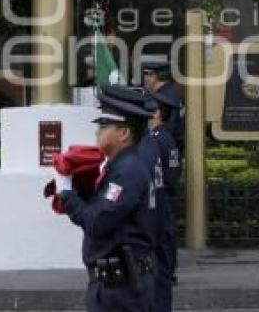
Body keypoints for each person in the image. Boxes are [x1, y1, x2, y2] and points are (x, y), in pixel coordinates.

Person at [57, 86, 157, 312]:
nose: (97, 132)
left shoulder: (127, 171)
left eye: (104, 126)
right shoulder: (122, 166)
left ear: (124, 133)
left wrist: (68, 196)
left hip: (122, 291)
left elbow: (98, 222)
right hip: (116, 285)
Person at [141, 88, 182, 310]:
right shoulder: (166, 138)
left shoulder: (155, 140)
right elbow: (174, 176)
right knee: (163, 270)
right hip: (164, 204)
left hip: (157, 205)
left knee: (158, 274)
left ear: (157, 113)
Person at [142, 60, 185, 156]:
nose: (146, 78)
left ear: (157, 76)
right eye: (145, 74)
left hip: (166, 147)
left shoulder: (166, 96)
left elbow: (169, 125)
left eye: (148, 74)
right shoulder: (167, 92)